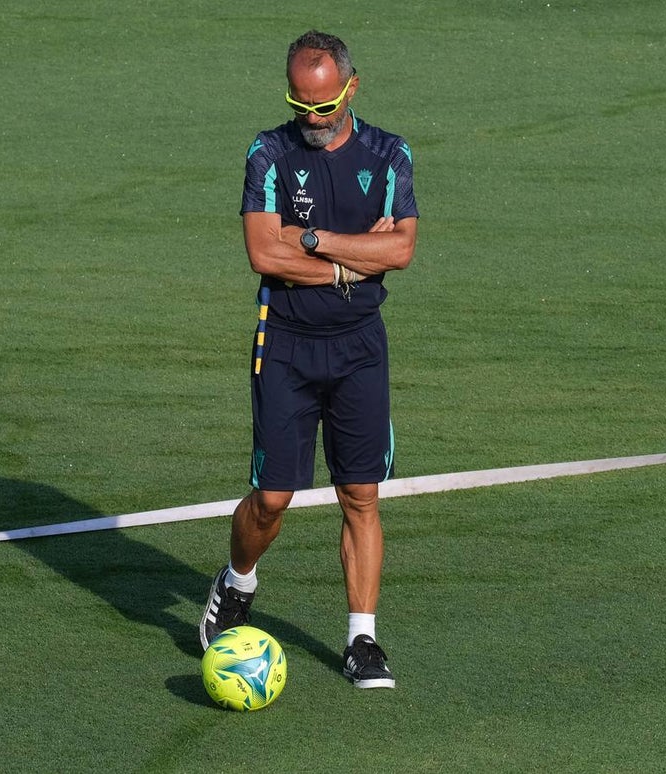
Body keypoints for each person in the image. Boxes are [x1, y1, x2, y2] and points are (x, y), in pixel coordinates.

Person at [199, 30, 419, 689]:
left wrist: (316, 241)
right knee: (272, 497)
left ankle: (362, 640)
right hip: (287, 342)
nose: (313, 121)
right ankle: (238, 581)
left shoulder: (388, 156)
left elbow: (402, 251)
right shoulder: (268, 153)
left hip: (359, 347)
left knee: (361, 492)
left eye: (324, 108)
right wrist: (356, 262)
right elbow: (265, 255)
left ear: (352, 88)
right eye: (302, 107)